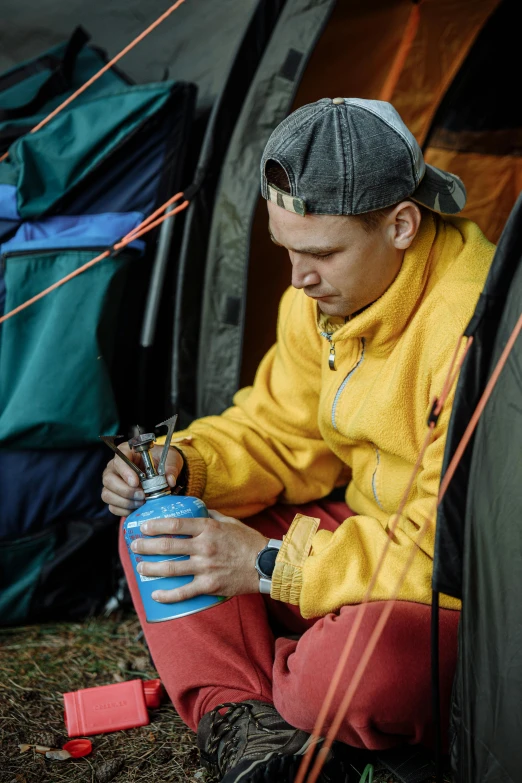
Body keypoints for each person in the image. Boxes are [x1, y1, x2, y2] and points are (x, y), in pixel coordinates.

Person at [101, 98, 495, 783]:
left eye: (320, 253)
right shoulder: (322, 299)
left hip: (454, 585)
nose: (297, 279)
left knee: (356, 675)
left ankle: (296, 679)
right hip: (360, 543)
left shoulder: (475, 329)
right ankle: (247, 720)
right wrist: (181, 466)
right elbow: (281, 434)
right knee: (157, 528)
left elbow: (451, 555)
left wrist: (270, 565)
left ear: (401, 225)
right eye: (286, 248)